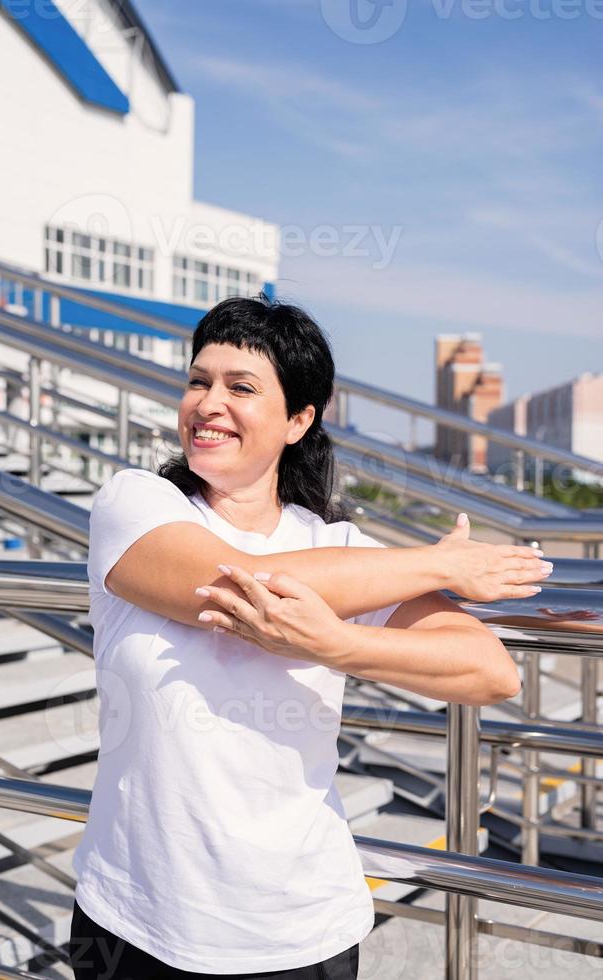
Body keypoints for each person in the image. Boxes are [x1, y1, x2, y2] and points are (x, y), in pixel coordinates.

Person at [69, 294, 551, 980]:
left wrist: (338, 646)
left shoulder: (338, 550)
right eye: (198, 381)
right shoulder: (136, 505)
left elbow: (491, 671)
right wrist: (441, 563)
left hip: (299, 934)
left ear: (298, 419)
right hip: (133, 925)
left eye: (241, 388)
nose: (208, 403)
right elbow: (241, 582)